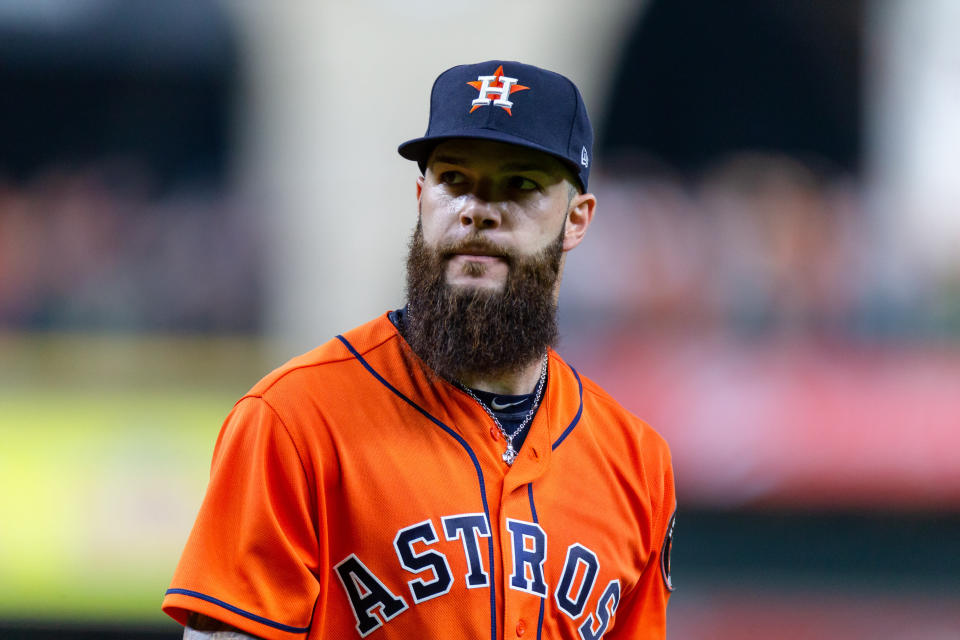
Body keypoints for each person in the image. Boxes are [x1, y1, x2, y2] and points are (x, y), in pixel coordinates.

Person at [163, 60, 676, 640]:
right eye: (454, 179)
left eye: (521, 185)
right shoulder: (292, 421)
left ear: (576, 220)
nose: (477, 208)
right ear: (421, 196)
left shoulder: (637, 464)